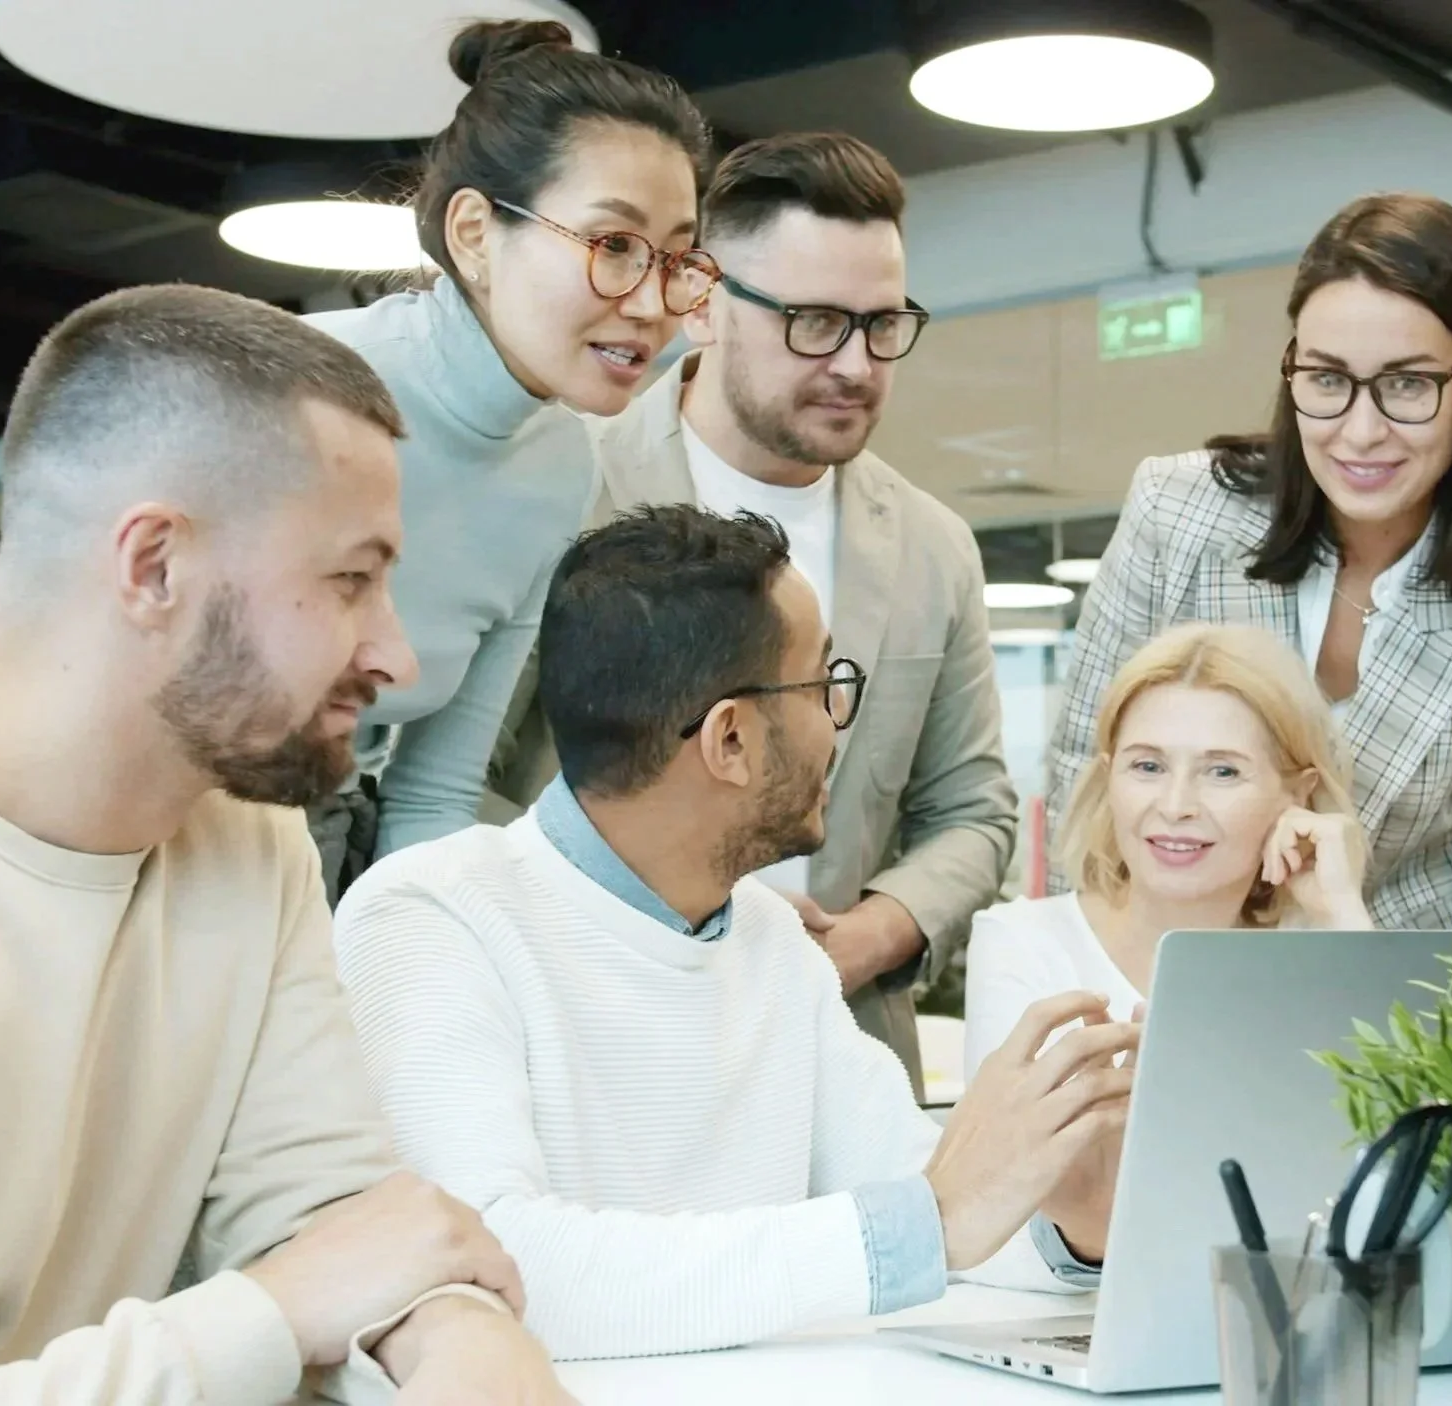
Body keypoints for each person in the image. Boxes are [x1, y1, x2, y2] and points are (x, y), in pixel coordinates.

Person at [0, 285, 572, 1405]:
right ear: (154, 565)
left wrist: (462, 1341)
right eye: (351, 580)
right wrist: (261, 1314)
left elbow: (333, 1214)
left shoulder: (247, 837)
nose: (397, 655)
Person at [333, 505, 1132, 1361]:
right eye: (825, 685)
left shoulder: (770, 940)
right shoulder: (431, 916)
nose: (837, 723)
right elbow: (487, 1266)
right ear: (731, 740)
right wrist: (932, 1220)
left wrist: (1070, 1212)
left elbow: (933, 1209)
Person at [577, 130, 1013, 1095]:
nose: (856, 364)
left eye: (882, 324)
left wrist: (869, 937)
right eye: (814, 321)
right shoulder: (574, 487)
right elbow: (482, 781)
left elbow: (972, 812)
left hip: (831, 1052)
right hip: (587, 1032)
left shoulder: (933, 549)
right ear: (702, 304)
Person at [1048, 192, 1452, 932]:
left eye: (1407, 384)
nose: (1359, 431)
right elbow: (1081, 785)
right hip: (1168, 971)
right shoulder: (1176, 513)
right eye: (1328, 380)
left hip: (1399, 995)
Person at [302, 18, 717, 900]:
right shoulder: (300, 390)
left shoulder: (561, 466)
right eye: (613, 247)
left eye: (677, 258)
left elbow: (433, 791)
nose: (650, 303)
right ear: (476, 233)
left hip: (341, 867)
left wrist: (399, 971)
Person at [963, 623, 1372, 1081]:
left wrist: (1343, 917)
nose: (1176, 806)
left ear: (1297, 794)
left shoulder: (1322, 954)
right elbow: (1005, 1150)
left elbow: (1418, 1131)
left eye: (1222, 772)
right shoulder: (1025, 944)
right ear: (1109, 776)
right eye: (1148, 766)